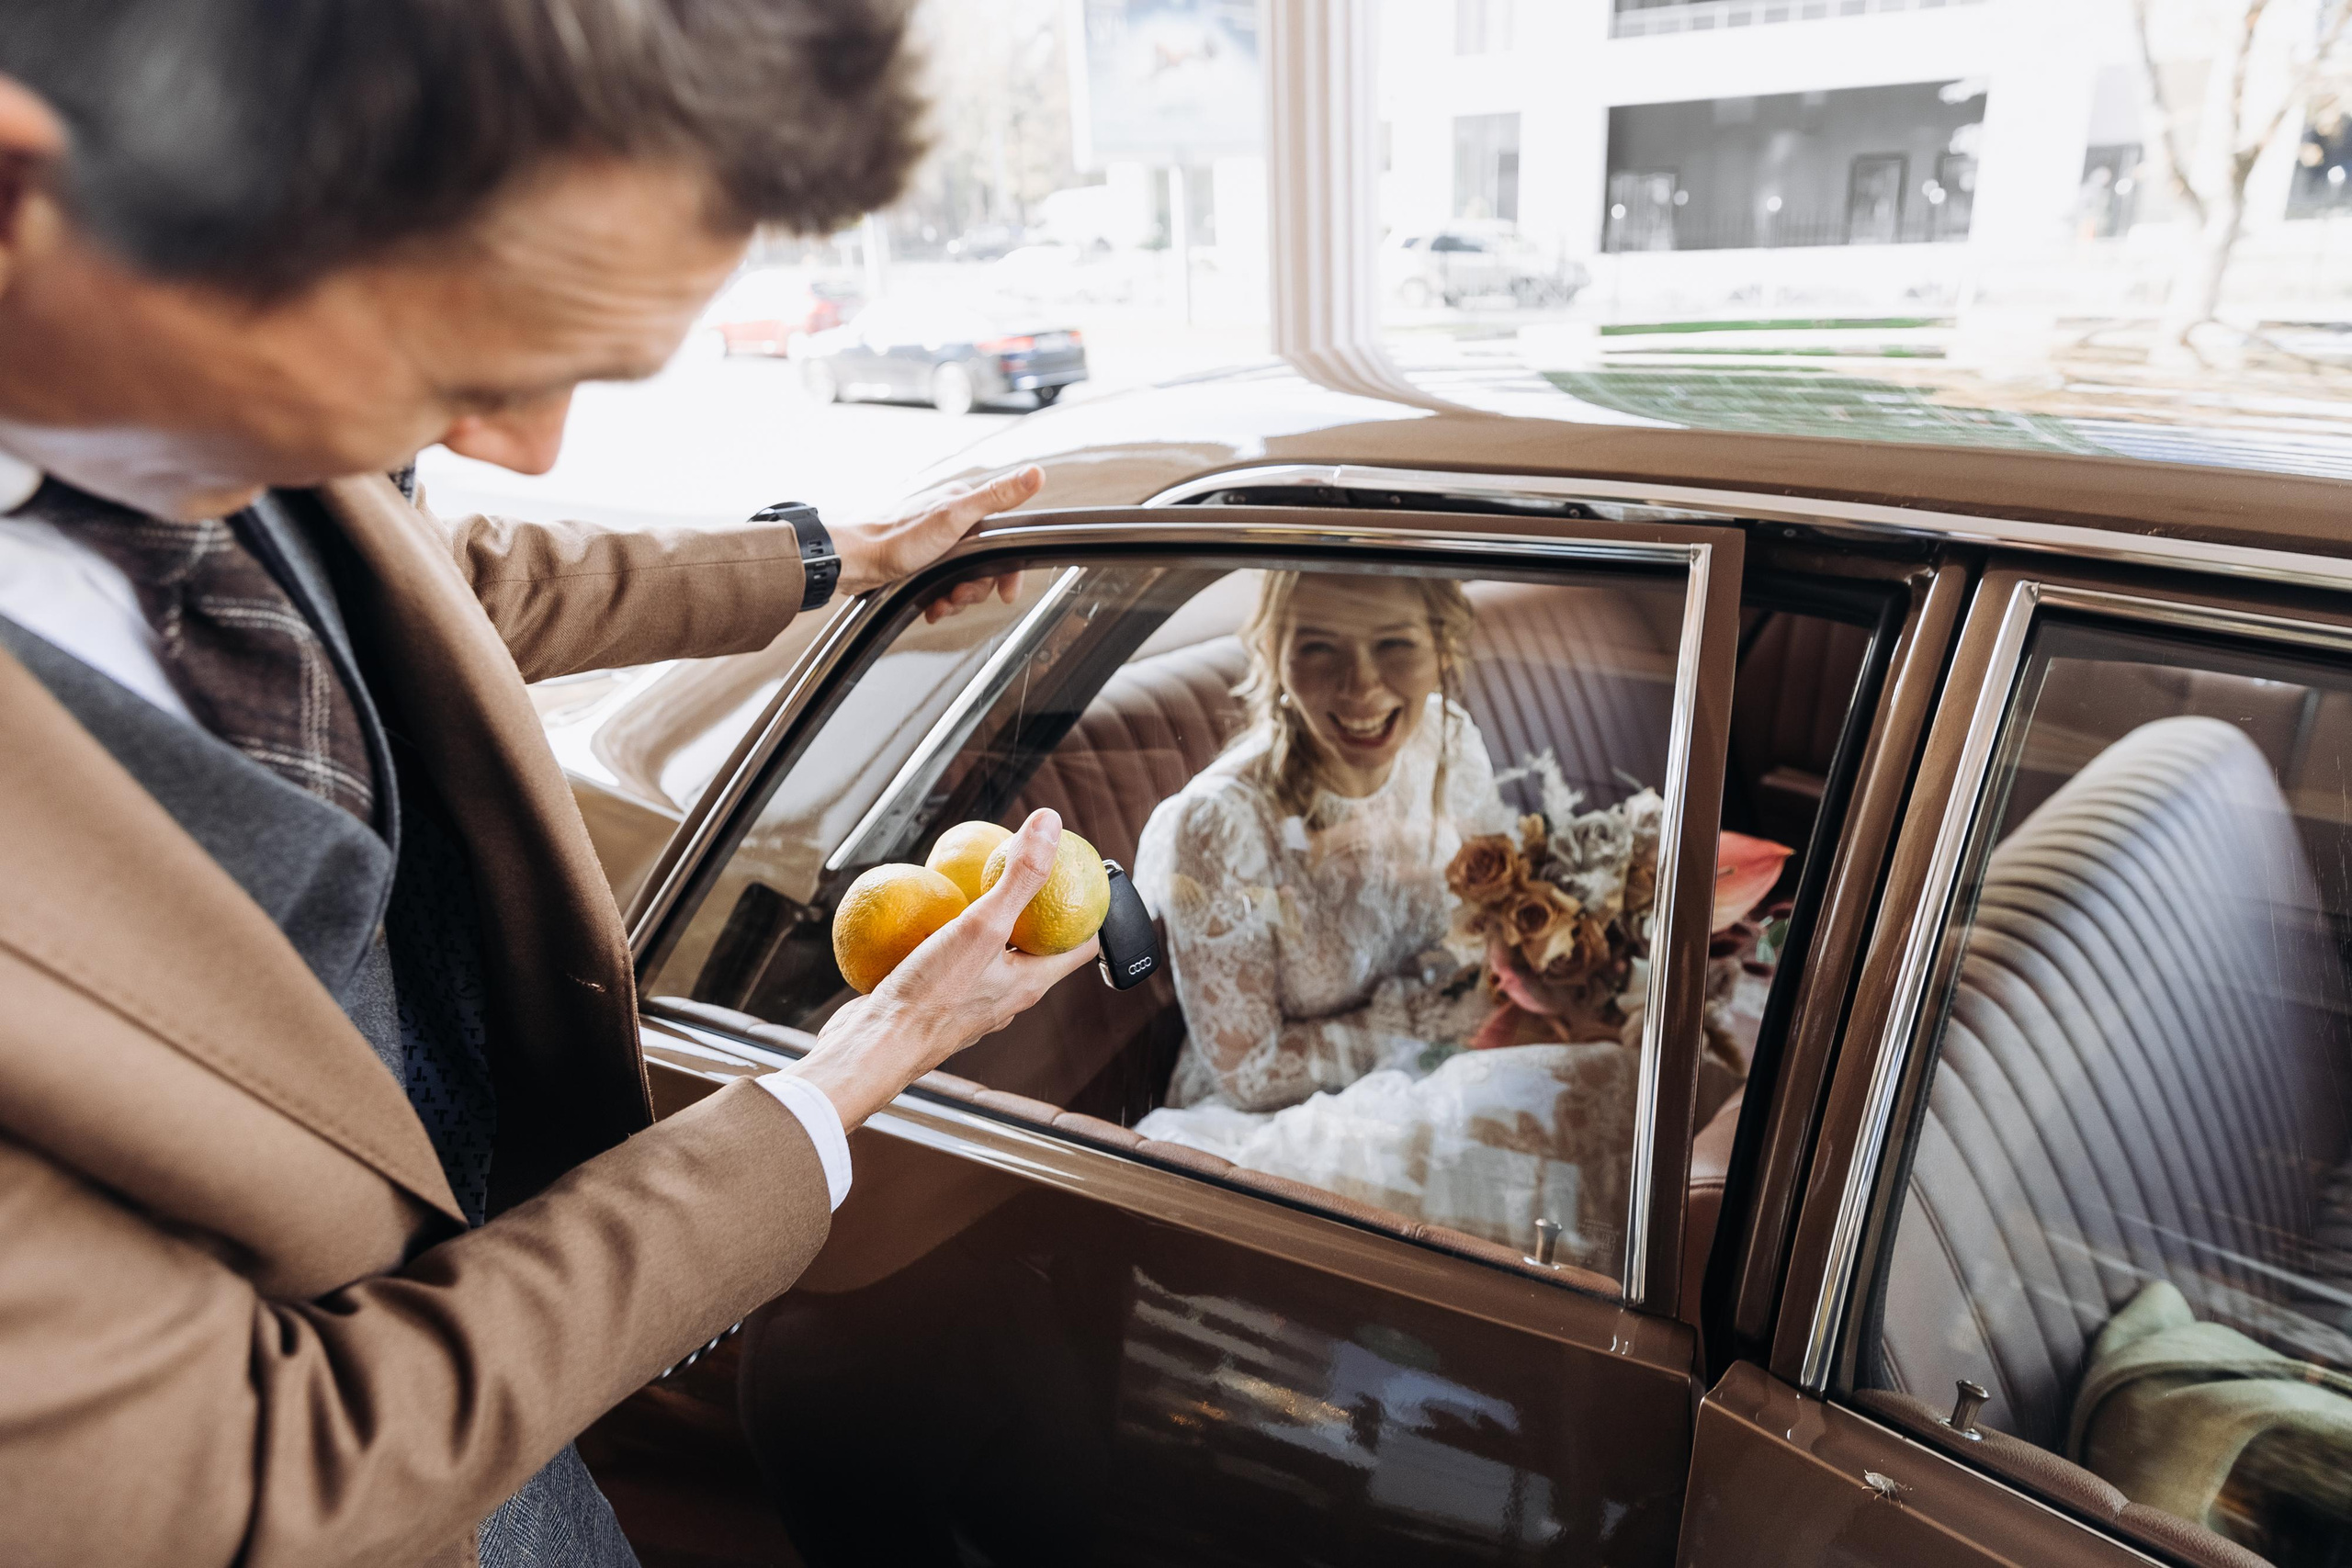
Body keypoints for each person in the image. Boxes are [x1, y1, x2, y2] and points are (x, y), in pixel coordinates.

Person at [0, 5, 1097, 1566]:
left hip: (533, 1444)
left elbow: (409, 585)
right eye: (460, 355)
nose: (521, 443)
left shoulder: (186, 397)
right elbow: (270, 1477)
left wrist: (823, 559)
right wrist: (844, 1077)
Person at [1132, 570, 1635, 1262]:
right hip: (1277, 1112)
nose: (1361, 687)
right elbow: (1248, 1071)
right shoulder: (1221, 821)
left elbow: (1494, 926)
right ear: (1275, 653)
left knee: (1629, 1084)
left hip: (1449, 1049)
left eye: (1394, 643)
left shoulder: (1448, 740)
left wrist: (1560, 987)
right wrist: (1434, 1023)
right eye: (1318, 649)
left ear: (1442, 649)